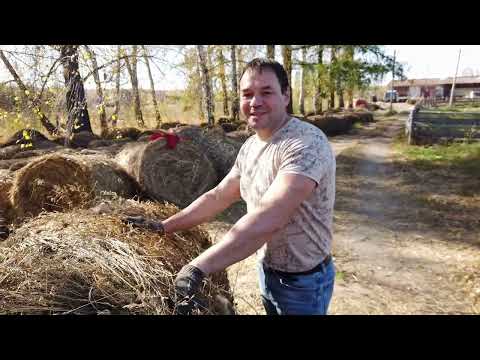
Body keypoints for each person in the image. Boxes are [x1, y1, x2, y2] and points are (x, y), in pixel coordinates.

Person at [125, 58, 336, 315]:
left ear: (286, 95)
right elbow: (219, 196)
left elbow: (269, 218)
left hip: (303, 283)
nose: (255, 102)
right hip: (268, 269)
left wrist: (196, 267)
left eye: (266, 92)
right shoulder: (251, 146)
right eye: (247, 94)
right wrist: (165, 226)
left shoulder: (305, 144)